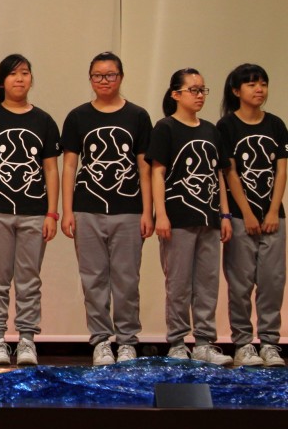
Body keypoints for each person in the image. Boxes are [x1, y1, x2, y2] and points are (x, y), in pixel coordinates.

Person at [61, 52, 153, 365]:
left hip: (129, 209)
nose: (104, 80)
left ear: (121, 77)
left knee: (127, 279)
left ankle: (127, 341)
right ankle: (101, 340)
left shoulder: (138, 116)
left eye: (110, 75)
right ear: (90, 79)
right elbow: (69, 166)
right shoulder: (77, 117)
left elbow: (144, 167)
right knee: (93, 279)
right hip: (87, 209)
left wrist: (148, 211)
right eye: (98, 75)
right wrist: (67, 211)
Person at [0, 54, 60, 366]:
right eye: (13, 74)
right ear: (2, 82)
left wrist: (52, 213)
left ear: (31, 79)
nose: (19, 79)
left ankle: (26, 340)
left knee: (29, 280)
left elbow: (51, 170)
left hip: (35, 212)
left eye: (25, 73)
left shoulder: (44, 121)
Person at [148, 68, 232, 365]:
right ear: (176, 94)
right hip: (178, 218)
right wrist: (161, 214)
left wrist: (224, 213)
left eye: (202, 90)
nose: (199, 95)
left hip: (209, 218)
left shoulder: (211, 130)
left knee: (208, 282)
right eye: (193, 90)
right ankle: (177, 342)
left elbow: (219, 175)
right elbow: (157, 172)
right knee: (179, 283)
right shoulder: (165, 128)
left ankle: (205, 343)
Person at [218, 63, 286, 367]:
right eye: (251, 84)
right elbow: (230, 173)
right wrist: (245, 213)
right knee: (240, 283)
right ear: (236, 91)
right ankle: (243, 343)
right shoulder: (227, 126)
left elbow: (281, 170)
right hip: (239, 217)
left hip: (273, 217)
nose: (259, 89)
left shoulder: (276, 124)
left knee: (272, 281)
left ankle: (270, 343)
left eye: (263, 84)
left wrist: (272, 210)